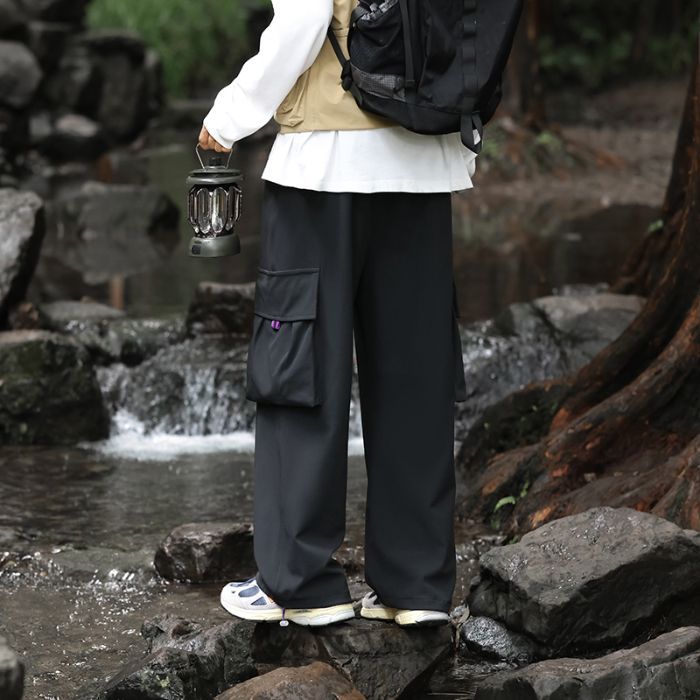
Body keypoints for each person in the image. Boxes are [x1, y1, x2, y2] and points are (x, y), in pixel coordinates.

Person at [198, 0, 478, 628]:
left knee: (300, 367)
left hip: (323, 166)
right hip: (425, 159)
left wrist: (229, 116)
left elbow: (303, 22)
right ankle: (416, 586)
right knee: (415, 376)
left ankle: (300, 585)